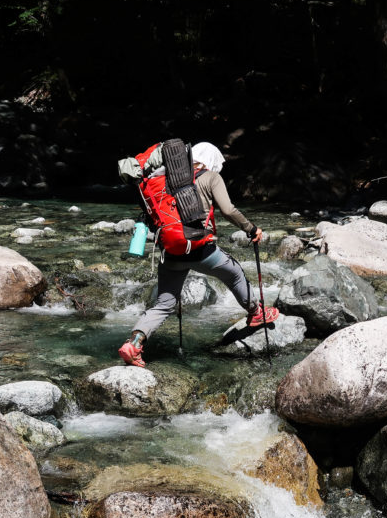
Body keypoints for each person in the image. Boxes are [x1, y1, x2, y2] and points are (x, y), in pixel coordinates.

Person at [118, 141, 278, 368]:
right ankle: (256, 312)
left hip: (171, 251)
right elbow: (228, 210)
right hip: (201, 250)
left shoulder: (164, 179)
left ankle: (134, 344)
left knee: (163, 304)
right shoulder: (211, 177)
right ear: (211, 160)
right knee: (234, 273)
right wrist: (251, 229)